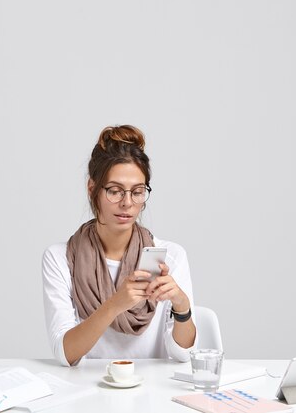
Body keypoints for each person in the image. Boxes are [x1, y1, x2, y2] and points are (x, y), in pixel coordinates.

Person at [42, 125, 197, 366]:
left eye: (137, 192)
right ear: (92, 189)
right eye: (115, 191)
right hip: (89, 390)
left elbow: (183, 354)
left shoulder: (172, 255)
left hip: (152, 391)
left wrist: (182, 304)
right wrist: (115, 304)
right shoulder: (60, 258)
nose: (127, 203)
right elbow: (66, 354)